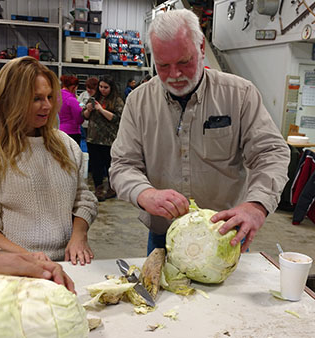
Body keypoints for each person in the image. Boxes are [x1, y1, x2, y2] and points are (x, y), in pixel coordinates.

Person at [109, 9, 290, 255]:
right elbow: (122, 165)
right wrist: (144, 193)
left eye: (184, 62)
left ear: (201, 46)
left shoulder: (239, 95)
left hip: (225, 237)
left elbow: (271, 153)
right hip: (164, 237)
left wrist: (256, 205)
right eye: (163, 65)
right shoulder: (139, 102)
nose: (175, 75)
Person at [0, 56, 98, 266]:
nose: (48, 106)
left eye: (50, 96)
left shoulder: (65, 145)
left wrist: (79, 235)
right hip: (11, 265)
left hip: (67, 263)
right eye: (36, 99)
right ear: (10, 100)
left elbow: (83, 197)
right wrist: (25, 257)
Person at [83, 75, 124, 201]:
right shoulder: (94, 99)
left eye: (105, 87)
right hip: (93, 138)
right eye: (100, 86)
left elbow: (116, 118)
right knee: (96, 166)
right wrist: (88, 110)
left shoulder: (117, 101)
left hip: (109, 140)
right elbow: (84, 116)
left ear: (111, 88)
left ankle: (112, 189)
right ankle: (98, 189)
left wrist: (101, 110)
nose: (102, 89)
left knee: (109, 165)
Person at [58, 75, 84, 145]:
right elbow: (79, 119)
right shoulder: (71, 100)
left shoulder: (56, 96)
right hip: (72, 133)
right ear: (73, 87)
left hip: (59, 130)